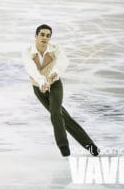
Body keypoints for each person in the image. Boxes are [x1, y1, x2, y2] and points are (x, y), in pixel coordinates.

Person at [22, 24, 99, 157]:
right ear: (36, 36)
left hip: (55, 85)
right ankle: (90, 146)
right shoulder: (27, 51)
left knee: (56, 112)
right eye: (42, 35)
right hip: (38, 87)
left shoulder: (55, 49)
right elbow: (31, 69)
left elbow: (64, 61)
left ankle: (63, 146)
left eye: (48, 35)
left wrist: (55, 72)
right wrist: (41, 82)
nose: (45, 38)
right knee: (64, 117)